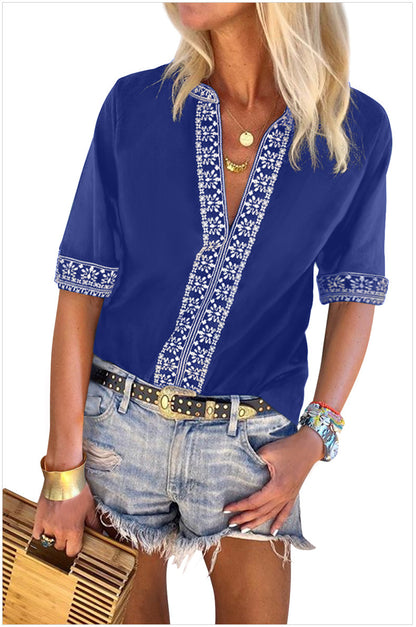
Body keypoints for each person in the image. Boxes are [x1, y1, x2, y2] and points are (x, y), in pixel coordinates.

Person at [31, 2, 393, 624]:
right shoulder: (135, 107)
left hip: (250, 447)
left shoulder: (352, 129)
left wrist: (317, 436)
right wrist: (63, 472)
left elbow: (354, 290)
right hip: (117, 434)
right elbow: (80, 290)